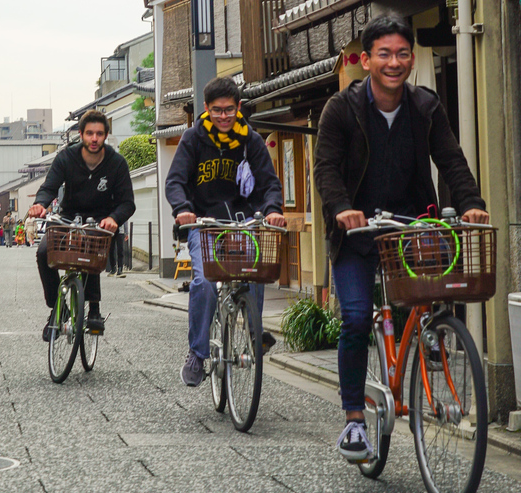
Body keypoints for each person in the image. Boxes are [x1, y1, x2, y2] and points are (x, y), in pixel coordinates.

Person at [313, 14, 489, 462]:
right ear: (367, 59)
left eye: (403, 53)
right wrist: (340, 209)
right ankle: (354, 420)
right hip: (357, 230)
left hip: (411, 227)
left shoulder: (425, 106)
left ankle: (429, 333)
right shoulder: (342, 109)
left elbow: (451, 160)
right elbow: (326, 168)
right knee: (354, 318)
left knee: (435, 293)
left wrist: (470, 200)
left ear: (412, 57)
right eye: (384, 54)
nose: (395, 62)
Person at [165, 76, 286, 387]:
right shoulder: (193, 139)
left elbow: (270, 182)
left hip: (243, 222)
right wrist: (182, 209)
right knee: (204, 283)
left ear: (238, 107)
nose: (223, 116)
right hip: (203, 223)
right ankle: (198, 352)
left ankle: (254, 331)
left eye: (229, 110)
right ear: (206, 108)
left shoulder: (251, 141)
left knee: (255, 273)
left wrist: (273, 210)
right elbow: (175, 181)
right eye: (217, 110)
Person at [28, 109, 135, 340]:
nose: (94, 139)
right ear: (81, 134)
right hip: (67, 217)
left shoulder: (117, 164)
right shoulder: (66, 157)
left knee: (90, 253)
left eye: (99, 133)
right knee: (44, 252)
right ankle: (57, 306)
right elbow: (49, 187)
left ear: (106, 135)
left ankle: (94, 308)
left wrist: (114, 218)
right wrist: (40, 205)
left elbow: (127, 203)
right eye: (89, 133)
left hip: (100, 221)